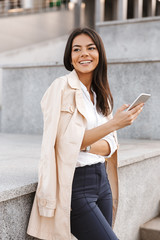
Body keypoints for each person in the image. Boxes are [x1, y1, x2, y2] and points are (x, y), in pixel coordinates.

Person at [27, 27, 144, 240]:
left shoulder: (102, 94)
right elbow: (63, 142)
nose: (84, 54)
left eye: (91, 48)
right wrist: (114, 125)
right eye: (77, 49)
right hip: (76, 184)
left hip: (103, 182)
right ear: (69, 57)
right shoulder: (61, 88)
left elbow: (110, 146)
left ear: (99, 53)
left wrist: (88, 141)